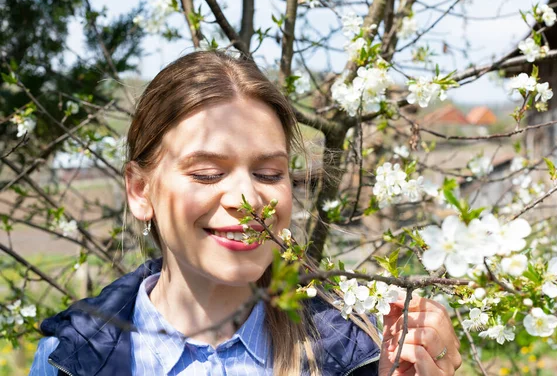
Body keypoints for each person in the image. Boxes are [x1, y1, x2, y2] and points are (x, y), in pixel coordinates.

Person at [29, 51, 462, 375]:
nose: (248, 199)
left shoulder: (363, 352)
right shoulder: (68, 360)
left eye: (269, 173)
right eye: (207, 173)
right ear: (141, 190)